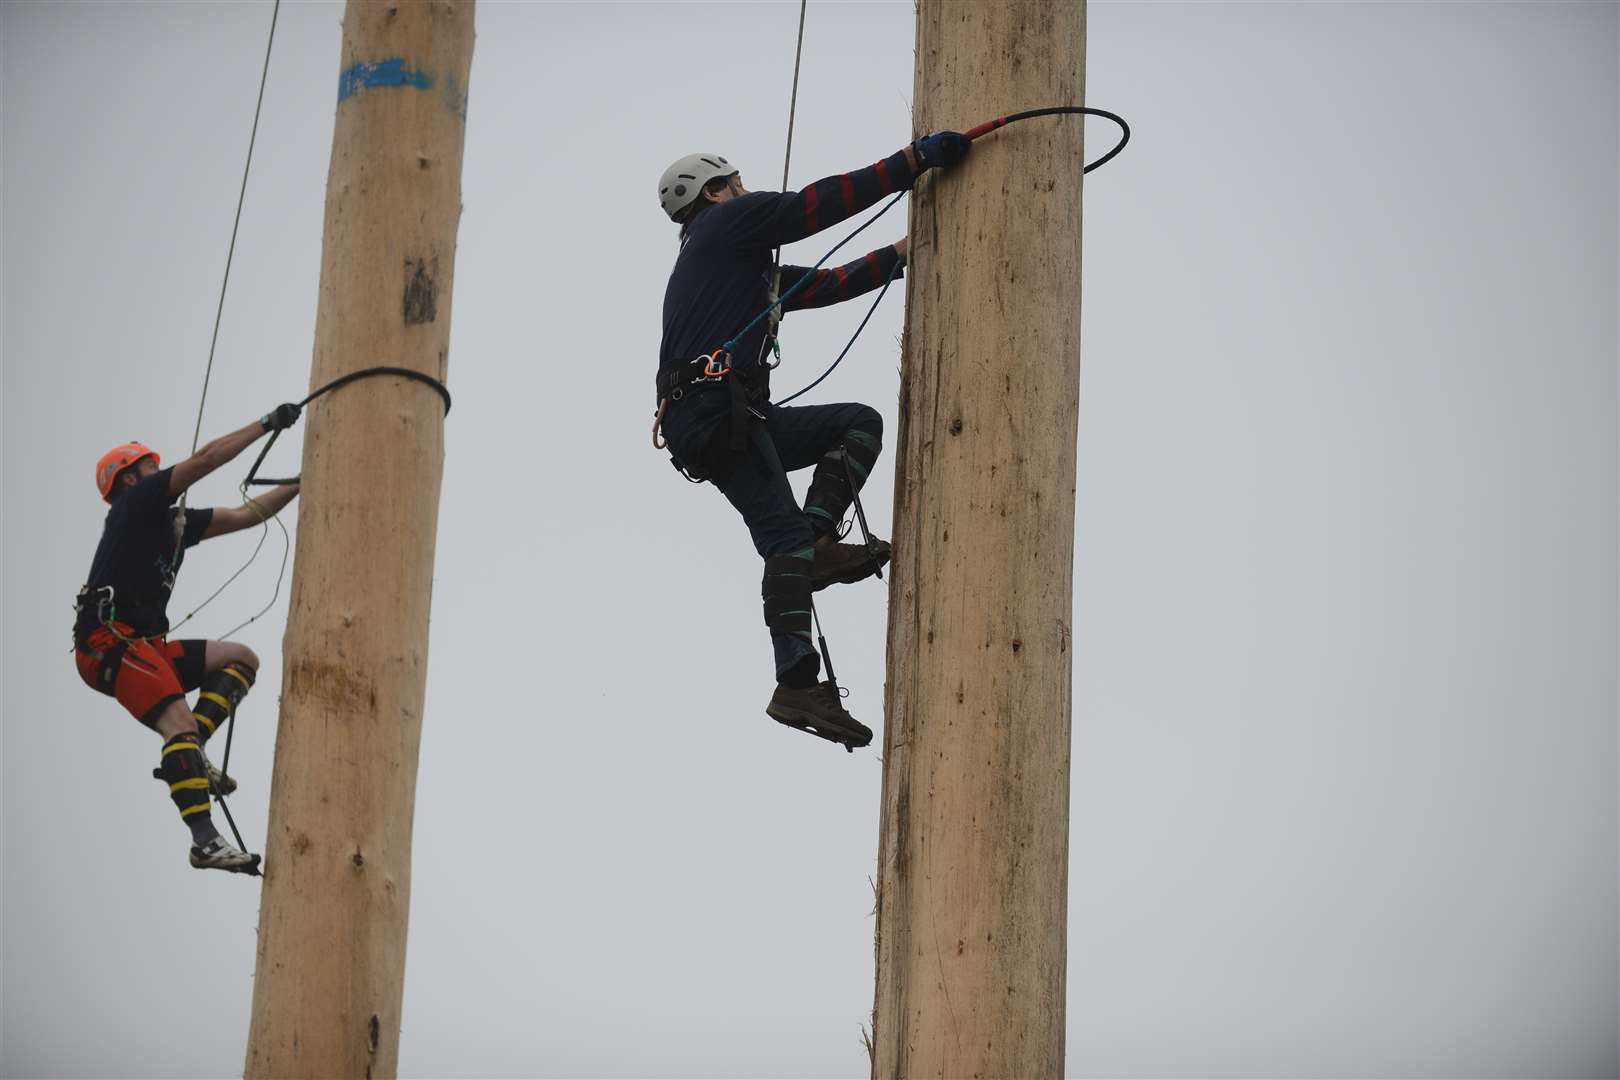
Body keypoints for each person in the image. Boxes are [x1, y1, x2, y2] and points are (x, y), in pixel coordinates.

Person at [654, 132, 971, 749]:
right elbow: (814, 206)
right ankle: (796, 681)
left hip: (731, 413)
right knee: (783, 540)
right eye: (737, 184)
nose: (747, 192)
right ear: (714, 192)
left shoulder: (735, 266)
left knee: (857, 423)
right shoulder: (727, 227)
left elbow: (826, 284)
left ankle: (821, 540)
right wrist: (913, 161)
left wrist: (911, 250)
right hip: (713, 413)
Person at [73, 405, 302, 871]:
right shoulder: (134, 505)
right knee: (174, 722)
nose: (159, 474)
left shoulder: (173, 525)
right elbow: (206, 460)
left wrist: (304, 479)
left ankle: (193, 751)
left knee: (240, 659)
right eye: (150, 468)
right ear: (130, 480)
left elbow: (248, 514)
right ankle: (204, 841)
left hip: (142, 646)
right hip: (109, 644)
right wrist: (265, 424)